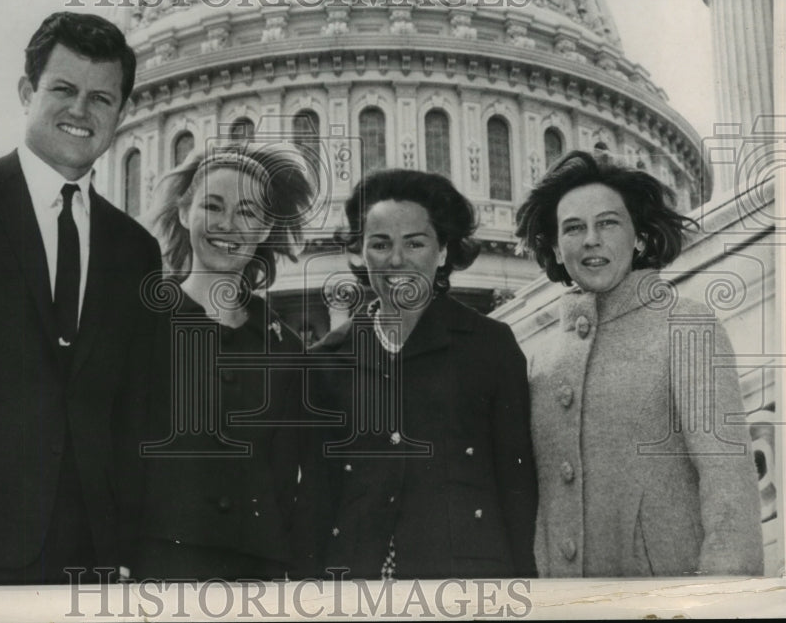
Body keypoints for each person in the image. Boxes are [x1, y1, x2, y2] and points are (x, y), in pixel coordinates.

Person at [0, 11, 161, 584]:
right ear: (25, 92)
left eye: (101, 98)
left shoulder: (136, 250)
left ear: (122, 113)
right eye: (63, 89)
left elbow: (135, 417)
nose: (80, 111)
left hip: (91, 554)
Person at [515, 149, 763, 577]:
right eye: (573, 228)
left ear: (639, 237)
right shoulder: (538, 359)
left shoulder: (684, 324)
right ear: (555, 247)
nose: (591, 238)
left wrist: (722, 598)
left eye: (608, 223)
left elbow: (729, 489)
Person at [296, 169, 538, 579]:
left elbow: (517, 486)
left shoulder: (489, 346)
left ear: (443, 251)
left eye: (415, 243)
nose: (396, 260)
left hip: (465, 584)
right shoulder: (328, 360)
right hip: (357, 586)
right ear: (359, 252)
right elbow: (316, 498)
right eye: (380, 244)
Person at [136, 143, 315, 580]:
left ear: (267, 226)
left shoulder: (287, 349)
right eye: (212, 206)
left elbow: (284, 480)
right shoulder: (137, 326)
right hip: (157, 568)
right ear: (183, 212)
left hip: (256, 573)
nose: (228, 225)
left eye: (248, 213)